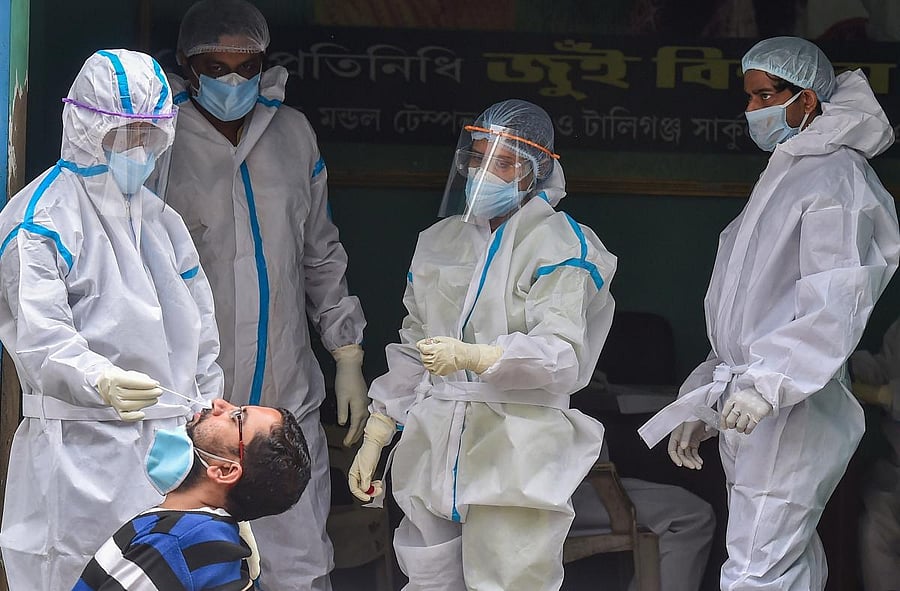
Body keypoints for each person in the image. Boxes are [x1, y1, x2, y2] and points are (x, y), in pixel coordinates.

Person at [638, 36, 900, 590]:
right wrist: (705, 393)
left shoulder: (834, 178)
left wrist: (770, 382)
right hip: (756, 400)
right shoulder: (789, 175)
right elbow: (744, 315)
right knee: (784, 563)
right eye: (750, 98)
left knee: (757, 570)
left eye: (764, 97)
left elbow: (837, 298)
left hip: (789, 405)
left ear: (806, 101)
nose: (751, 111)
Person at [348, 99, 618, 590]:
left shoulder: (563, 244)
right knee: (426, 579)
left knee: (508, 580)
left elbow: (561, 357)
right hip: (432, 442)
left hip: (516, 452)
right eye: (476, 157)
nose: (483, 172)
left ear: (536, 172)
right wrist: (380, 428)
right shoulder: (439, 240)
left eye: (504, 162)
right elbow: (414, 344)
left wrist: (479, 357)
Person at [0, 49, 223, 590]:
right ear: (84, 127)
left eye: (150, 134)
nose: (139, 150)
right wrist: (98, 379)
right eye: (124, 133)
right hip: (76, 461)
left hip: (168, 452)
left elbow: (202, 342)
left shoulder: (163, 224)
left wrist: (206, 428)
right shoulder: (42, 219)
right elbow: (40, 337)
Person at [164, 1, 369, 588]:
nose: (233, 80)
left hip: (284, 393)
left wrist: (346, 353)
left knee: (299, 559)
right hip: (196, 398)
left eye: (246, 66)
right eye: (216, 66)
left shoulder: (293, 133)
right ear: (187, 65)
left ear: (264, 63)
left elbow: (319, 251)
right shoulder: (162, 137)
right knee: (195, 558)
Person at [72, 398, 312, 590]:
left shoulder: (175, 542)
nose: (219, 403)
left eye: (236, 417)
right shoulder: (201, 537)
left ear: (225, 470)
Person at [849, 317, 900, 591]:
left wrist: (882, 394)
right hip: (896, 476)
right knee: (875, 532)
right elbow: (882, 369)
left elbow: (889, 394)